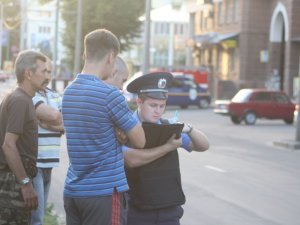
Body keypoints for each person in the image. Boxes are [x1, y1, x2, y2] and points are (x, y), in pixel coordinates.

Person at [62, 29, 145, 225]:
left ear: (85, 54)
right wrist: (123, 134)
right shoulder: (110, 94)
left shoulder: (68, 92)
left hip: (74, 191)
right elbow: (140, 141)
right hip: (104, 193)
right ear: (110, 57)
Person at [123, 72, 210, 225]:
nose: (158, 111)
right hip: (137, 211)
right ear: (139, 101)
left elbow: (203, 146)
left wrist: (188, 129)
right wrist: (167, 147)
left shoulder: (167, 127)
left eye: (162, 106)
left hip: (168, 209)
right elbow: (131, 160)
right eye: (153, 105)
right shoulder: (126, 128)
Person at [0, 50, 48, 224]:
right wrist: (26, 183)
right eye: (43, 71)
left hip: (15, 181)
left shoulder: (23, 99)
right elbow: (9, 145)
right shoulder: (20, 100)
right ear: (29, 73)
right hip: (13, 184)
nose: (47, 76)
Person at [31, 59, 64, 225]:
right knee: (37, 217)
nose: (47, 76)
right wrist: (55, 122)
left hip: (49, 163)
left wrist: (44, 123)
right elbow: (55, 116)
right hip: (35, 163)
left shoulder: (55, 95)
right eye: (44, 71)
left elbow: (66, 124)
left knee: (40, 213)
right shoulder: (32, 95)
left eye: (49, 72)